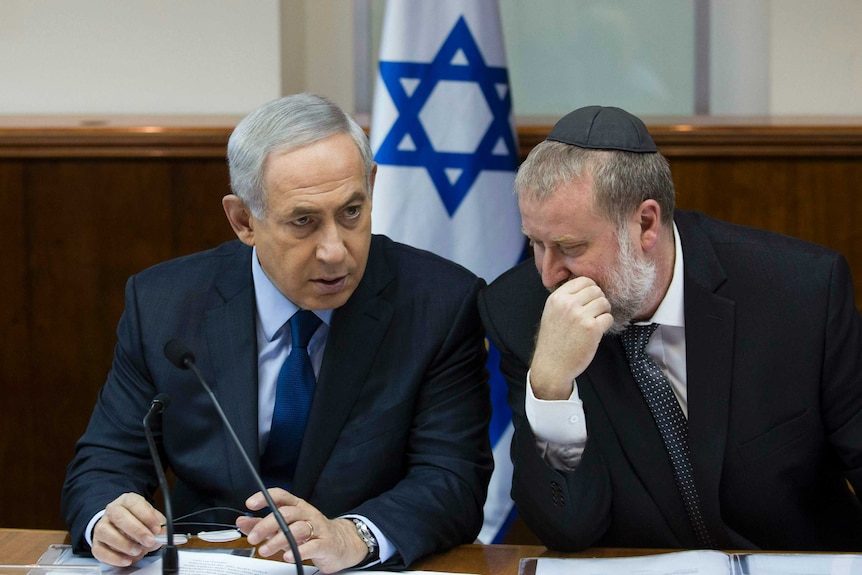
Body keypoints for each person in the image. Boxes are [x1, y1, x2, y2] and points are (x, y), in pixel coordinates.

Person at [62, 93, 493, 572]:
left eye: (352, 212)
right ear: (243, 220)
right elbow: (106, 458)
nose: (335, 251)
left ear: (371, 186)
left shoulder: (439, 303)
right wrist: (107, 519)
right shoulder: (164, 303)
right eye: (303, 221)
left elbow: (453, 478)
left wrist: (354, 536)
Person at [478, 105, 862, 551]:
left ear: (645, 224)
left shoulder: (798, 290)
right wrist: (549, 387)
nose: (548, 275)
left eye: (569, 247)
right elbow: (569, 528)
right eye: (535, 243)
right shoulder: (521, 311)